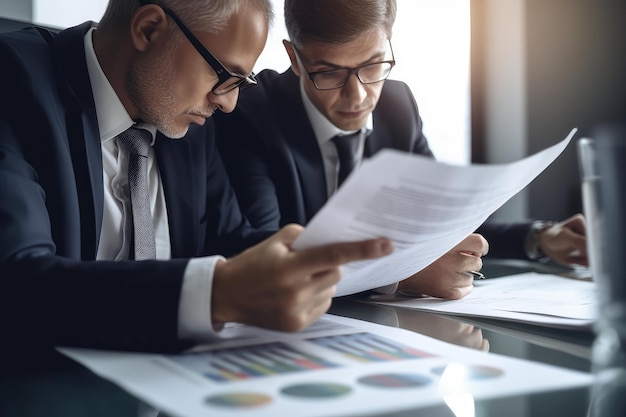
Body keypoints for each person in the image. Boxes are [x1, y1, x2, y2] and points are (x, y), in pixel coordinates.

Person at [0, 0, 402, 352]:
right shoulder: (13, 80)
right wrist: (212, 295)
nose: (228, 104)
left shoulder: (185, 121)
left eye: (241, 83)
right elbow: (18, 284)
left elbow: (231, 241)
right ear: (149, 29)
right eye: (224, 76)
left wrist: (377, 264)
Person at [214, 0, 589, 299]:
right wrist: (399, 274)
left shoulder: (398, 105)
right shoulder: (251, 113)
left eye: (374, 64)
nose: (358, 96)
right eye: (329, 72)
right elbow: (263, 253)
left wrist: (539, 238)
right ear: (294, 58)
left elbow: (440, 220)